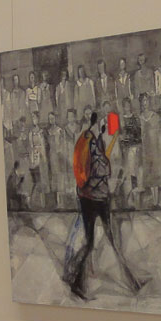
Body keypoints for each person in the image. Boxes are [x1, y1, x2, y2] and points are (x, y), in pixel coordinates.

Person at [64, 111, 141, 300]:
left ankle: (133, 282)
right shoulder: (92, 143)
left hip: (89, 196)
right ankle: (77, 281)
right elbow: (102, 168)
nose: (106, 126)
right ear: (97, 124)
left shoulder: (87, 139)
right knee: (100, 240)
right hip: (96, 198)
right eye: (103, 123)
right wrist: (109, 171)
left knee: (101, 240)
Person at [138, 92, 161, 208]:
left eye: (146, 100)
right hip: (145, 148)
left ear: (149, 102)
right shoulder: (140, 117)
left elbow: (159, 134)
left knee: (155, 172)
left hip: (154, 148)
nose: (145, 103)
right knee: (148, 173)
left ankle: (156, 200)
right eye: (143, 101)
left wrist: (160, 148)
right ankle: (153, 201)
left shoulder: (155, 116)